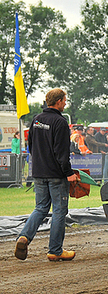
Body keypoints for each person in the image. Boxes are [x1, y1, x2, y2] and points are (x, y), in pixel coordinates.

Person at [14, 88, 79, 262]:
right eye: (64, 100)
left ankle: (24, 237)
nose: (65, 103)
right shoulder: (60, 122)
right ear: (58, 101)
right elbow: (61, 153)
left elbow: (31, 147)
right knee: (59, 211)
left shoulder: (36, 120)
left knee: (41, 208)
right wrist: (69, 173)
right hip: (56, 174)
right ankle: (55, 250)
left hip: (39, 172)